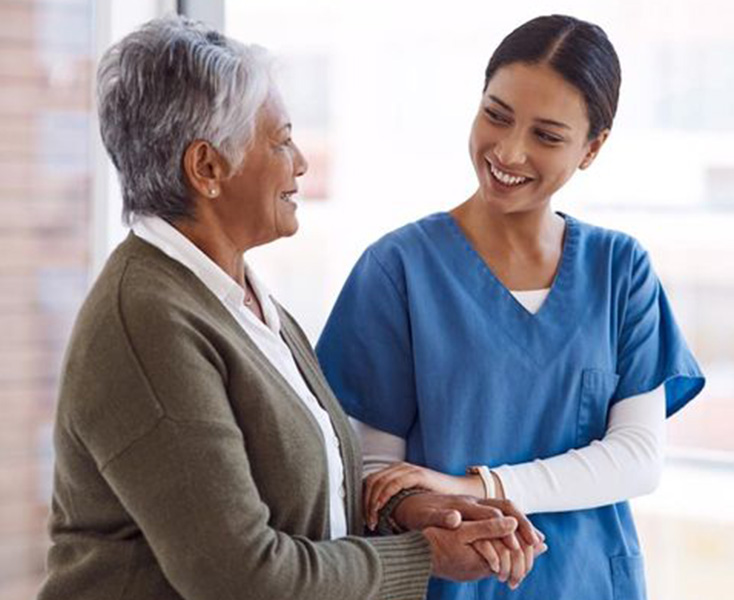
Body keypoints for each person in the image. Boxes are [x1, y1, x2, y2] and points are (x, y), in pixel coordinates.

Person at [36, 16, 545, 600]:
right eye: (280, 141)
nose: (301, 162)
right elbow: (241, 578)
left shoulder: (240, 300)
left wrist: (408, 512)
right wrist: (422, 556)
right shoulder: (149, 321)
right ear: (207, 169)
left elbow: (299, 492)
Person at [317, 14, 705, 600]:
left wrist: (478, 486)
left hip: (591, 582)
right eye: (496, 115)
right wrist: (437, 508)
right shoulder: (397, 270)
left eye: (547, 136)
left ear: (592, 148)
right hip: (449, 585)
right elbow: (376, 478)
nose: (509, 150)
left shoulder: (620, 270)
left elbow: (637, 457)